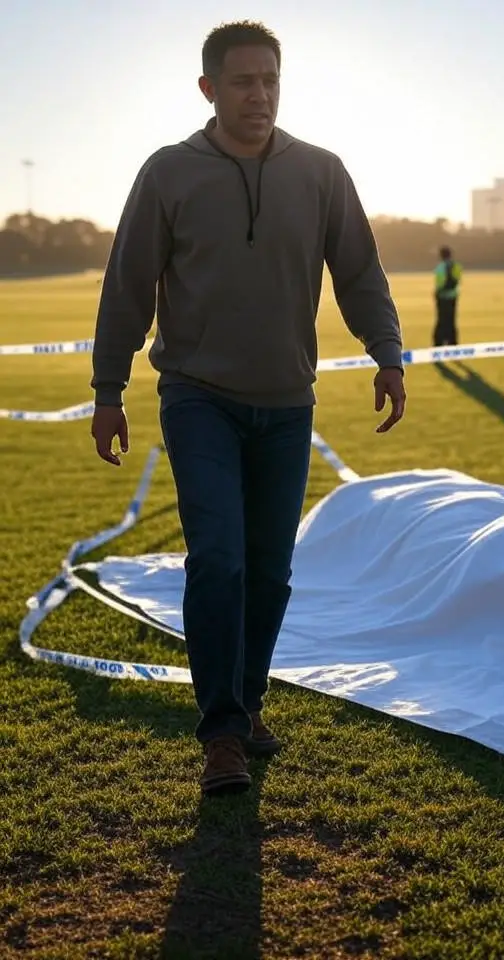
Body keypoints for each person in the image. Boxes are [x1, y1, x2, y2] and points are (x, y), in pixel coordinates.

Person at [89, 20, 406, 796]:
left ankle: (249, 704)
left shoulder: (323, 172)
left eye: (269, 79)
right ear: (208, 89)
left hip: (288, 403)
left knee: (270, 572)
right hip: (198, 397)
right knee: (221, 560)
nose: (258, 94)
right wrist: (108, 389)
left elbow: (359, 272)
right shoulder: (167, 174)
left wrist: (388, 352)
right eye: (241, 81)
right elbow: (126, 285)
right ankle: (223, 734)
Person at [433, 246, 462, 346]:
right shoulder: (456, 266)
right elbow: (458, 279)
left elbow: (439, 283)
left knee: (441, 320)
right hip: (453, 296)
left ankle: (439, 343)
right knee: (451, 320)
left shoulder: (440, 267)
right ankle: (452, 342)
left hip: (442, 297)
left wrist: (437, 292)